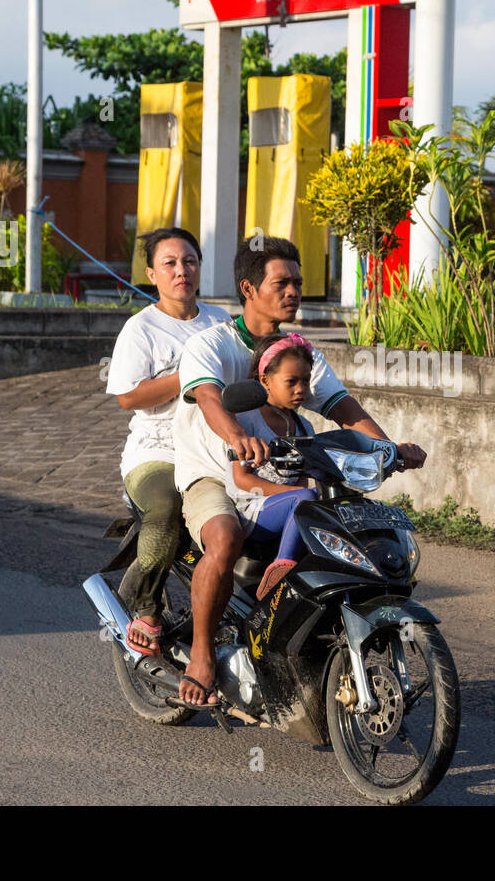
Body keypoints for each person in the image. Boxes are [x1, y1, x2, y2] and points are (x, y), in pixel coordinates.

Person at [171, 235, 427, 706]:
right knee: (225, 538)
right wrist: (237, 438)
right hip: (212, 473)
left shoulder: (297, 354)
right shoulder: (209, 344)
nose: (293, 291)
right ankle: (202, 656)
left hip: (275, 481)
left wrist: (388, 449)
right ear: (248, 289)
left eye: (298, 282)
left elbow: (342, 407)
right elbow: (208, 397)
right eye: (281, 282)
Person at [104, 227, 232, 658]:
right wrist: (191, 373)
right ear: (151, 274)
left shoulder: (221, 322)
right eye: (170, 264)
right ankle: (147, 610)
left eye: (190, 261)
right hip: (157, 453)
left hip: (214, 449)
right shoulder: (141, 329)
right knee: (165, 509)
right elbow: (128, 396)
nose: (182, 271)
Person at [221, 332, 320, 601]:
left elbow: (302, 481)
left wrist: (299, 497)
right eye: (291, 381)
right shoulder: (247, 420)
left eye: (306, 381)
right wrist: (290, 496)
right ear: (265, 380)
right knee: (307, 500)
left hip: (288, 507)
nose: (301, 389)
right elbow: (241, 479)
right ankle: (281, 568)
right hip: (250, 509)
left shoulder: (303, 427)